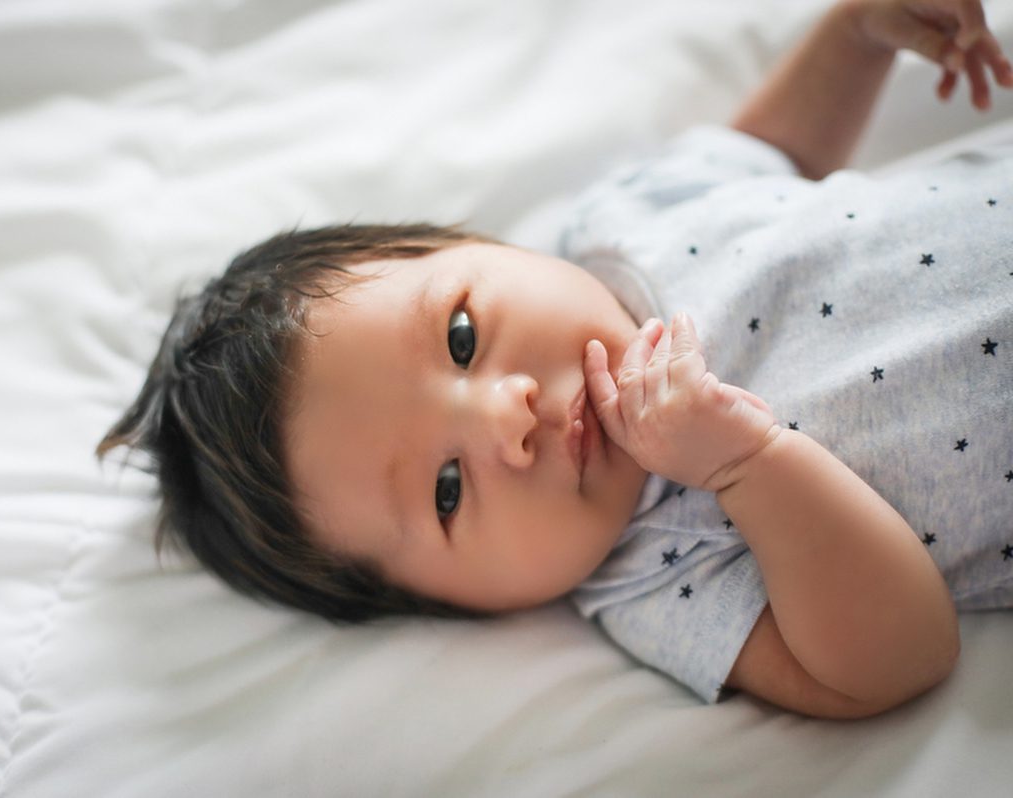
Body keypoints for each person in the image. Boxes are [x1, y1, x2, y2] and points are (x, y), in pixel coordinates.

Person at [97, 0, 1013, 719]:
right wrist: (747, 463)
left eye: (461, 338)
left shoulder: (626, 220)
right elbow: (895, 661)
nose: (508, 417)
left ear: (475, 243)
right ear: (465, 606)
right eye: (446, 491)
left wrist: (854, 33)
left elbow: (770, 153)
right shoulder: (656, 580)